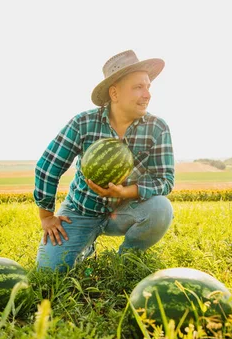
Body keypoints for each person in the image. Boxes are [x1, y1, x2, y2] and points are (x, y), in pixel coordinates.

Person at [34, 49, 174, 272]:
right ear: (114, 93)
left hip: (127, 209)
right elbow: (47, 167)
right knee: (49, 271)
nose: (147, 94)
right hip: (81, 210)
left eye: (148, 86)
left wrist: (125, 192)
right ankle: (84, 246)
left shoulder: (157, 128)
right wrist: (47, 217)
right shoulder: (83, 123)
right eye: (138, 87)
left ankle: (128, 257)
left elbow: (165, 180)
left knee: (161, 208)